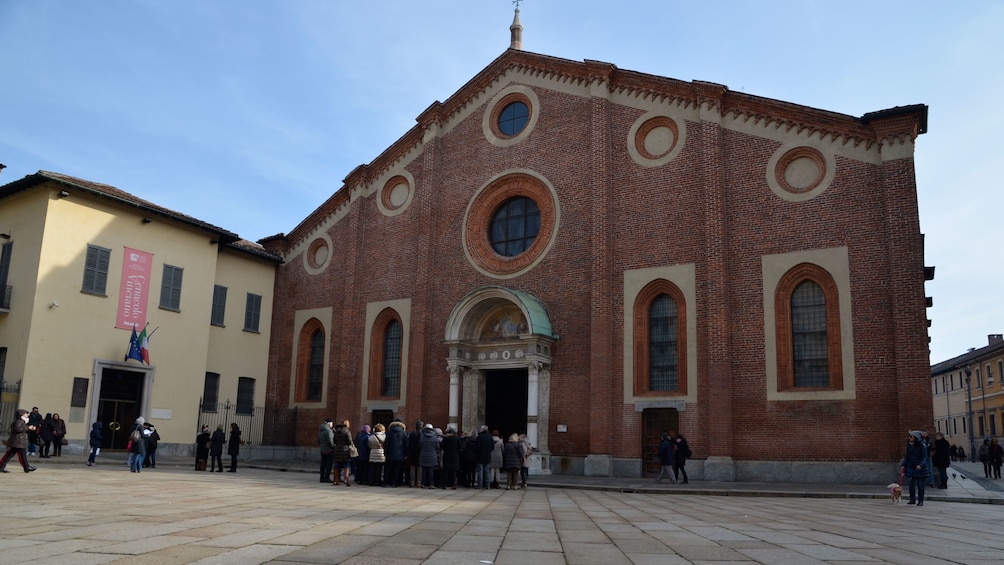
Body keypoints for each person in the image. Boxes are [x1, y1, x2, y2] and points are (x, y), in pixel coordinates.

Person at [0, 409, 37, 473]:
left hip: (18, 441)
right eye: (26, 413)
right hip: (17, 441)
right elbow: (17, 429)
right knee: (17, 455)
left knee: (13, 455)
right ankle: (26, 467)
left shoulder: (21, 421)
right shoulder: (19, 421)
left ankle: (26, 467)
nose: (27, 414)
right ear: (21, 414)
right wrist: (28, 428)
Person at [901, 430, 928, 506]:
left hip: (919, 467)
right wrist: (904, 465)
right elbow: (907, 456)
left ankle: (920, 500)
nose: (909, 438)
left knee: (920, 485)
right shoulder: (910, 445)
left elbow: (924, 457)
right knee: (911, 484)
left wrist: (921, 465)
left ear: (916, 437)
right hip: (911, 466)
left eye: (911, 436)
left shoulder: (922, 445)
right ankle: (912, 499)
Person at [383, 420, 408, 487]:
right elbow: (406, 445)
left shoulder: (389, 432)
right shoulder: (403, 433)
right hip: (400, 454)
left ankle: (386, 482)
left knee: (388, 469)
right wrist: (405, 454)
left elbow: (386, 444)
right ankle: (395, 483)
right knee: (397, 470)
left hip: (390, 454)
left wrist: (385, 453)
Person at [418, 423, 440, 489]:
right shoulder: (435, 437)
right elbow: (437, 447)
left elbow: (419, 446)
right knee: (430, 470)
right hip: (432, 455)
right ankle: (431, 484)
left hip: (423, 455)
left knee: (424, 470)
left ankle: (423, 484)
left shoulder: (422, 436)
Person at [332, 420, 352, 485]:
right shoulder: (347, 431)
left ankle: (335, 480)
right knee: (347, 465)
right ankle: (346, 479)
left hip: (338, 450)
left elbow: (334, 441)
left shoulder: (336, 431)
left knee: (337, 465)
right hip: (345, 450)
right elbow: (349, 441)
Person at [318, 418, 335, 483]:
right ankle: (326, 477)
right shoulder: (328, 431)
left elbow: (318, 440)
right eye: (331, 423)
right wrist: (333, 447)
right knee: (329, 464)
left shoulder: (320, 431)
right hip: (329, 450)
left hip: (322, 449)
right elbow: (330, 441)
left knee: (323, 464)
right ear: (329, 423)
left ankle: (322, 477)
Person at [407, 420, 423, 487]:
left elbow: (409, 444)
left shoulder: (412, 434)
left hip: (412, 452)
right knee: (419, 468)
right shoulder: (422, 434)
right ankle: (419, 483)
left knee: (412, 468)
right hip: (420, 453)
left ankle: (412, 483)